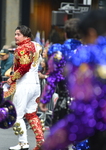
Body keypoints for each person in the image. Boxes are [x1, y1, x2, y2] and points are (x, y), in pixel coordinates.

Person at [41, 9, 106, 150]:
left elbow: (53, 78)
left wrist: (44, 99)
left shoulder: (84, 56)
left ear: (91, 33)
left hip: (71, 105)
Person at [7, 25, 44, 150]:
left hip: (24, 84)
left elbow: (24, 67)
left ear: (25, 35)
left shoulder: (21, 48)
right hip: (35, 84)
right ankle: (40, 141)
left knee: (17, 115)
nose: (15, 36)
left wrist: (12, 78)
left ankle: (23, 143)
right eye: (15, 34)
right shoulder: (36, 45)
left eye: (18, 34)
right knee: (32, 114)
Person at [40, 18, 82, 126]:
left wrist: (45, 99)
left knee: (58, 139)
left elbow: (53, 78)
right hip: (84, 104)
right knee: (82, 140)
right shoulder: (90, 52)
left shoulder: (59, 52)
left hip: (65, 102)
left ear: (65, 34)